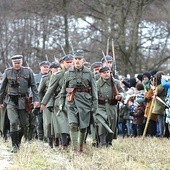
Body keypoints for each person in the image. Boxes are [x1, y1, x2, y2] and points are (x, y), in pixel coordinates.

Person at [59, 50, 98, 153]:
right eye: (75, 59)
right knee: (72, 124)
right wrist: (61, 103)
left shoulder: (89, 73)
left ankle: (81, 146)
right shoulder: (68, 73)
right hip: (71, 101)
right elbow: (63, 89)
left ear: (83, 60)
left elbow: (94, 91)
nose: (77, 61)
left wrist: (95, 105)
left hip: (85, 102)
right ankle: (75, 149)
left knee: (83, 127)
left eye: (79, 59)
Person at [0, 55, 39, 153]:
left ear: (22, 62)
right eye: (15, 63)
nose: (17, 65)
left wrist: (36, 100)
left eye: (18, 63)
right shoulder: (8, 72)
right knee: (13, 122)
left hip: (23, 101)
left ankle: (18, 141)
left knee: (24, 125)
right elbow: (2, 88)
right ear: (12, 63)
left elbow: (34, 87)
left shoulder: (28, 71)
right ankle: (14, 145)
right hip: (11, 101)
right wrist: (0, 101)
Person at [40, 54, 74, 149]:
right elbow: (50, 90)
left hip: (75, 100)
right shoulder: (58, 75)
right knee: (62, 124)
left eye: (71, 62)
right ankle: (64, 144)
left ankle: (74, 143)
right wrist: (43, 103)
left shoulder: (77, 73)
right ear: (62, 64)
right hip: (60, 101)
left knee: (73, 123)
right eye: (67, 62)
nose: (70, 64)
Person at [94, 66, 125, 146]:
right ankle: (102, 142)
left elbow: (123, 92)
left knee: (111, 124)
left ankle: (109, 141)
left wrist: (120, 96)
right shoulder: (97, 84)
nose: (106, 74)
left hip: (112, 106)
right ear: (100, 74)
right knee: (102, 123)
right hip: (100, 106)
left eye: (108, 72)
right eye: (104, 73)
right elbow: (93, 96)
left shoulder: (116, 82)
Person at [38, 62, 60, 147]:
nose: (57, 70)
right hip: (47, 102)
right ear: (51, 69)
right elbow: (40, 92)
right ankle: (49, 140)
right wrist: (41, 103)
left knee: (57, 122)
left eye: (58, 68)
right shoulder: (46, 78)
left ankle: (57, 140)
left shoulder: (61, 76)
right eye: (55, 68)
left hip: (58, 102)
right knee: (48, 123)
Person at [34, 61, 49, 141]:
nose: (46, 68)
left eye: (47, 67)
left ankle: (47, 138)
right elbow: (33, 90)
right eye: (44, 67)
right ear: (40, 67)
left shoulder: (51, 76)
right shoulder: (36, 77)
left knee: (47, 122)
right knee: (39, 122)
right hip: (39, 102)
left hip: (48, 102)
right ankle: (40, 138)